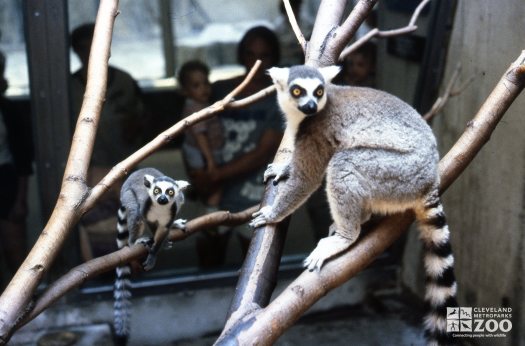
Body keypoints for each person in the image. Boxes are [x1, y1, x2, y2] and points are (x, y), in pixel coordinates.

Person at [190, 26, 283, 268]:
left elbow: (264, 151)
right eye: (251, 54)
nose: (257, 62)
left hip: (254, 195)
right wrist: (198, 174)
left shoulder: (280, 98)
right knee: (209, 259)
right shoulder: (220, 90)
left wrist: (214, 176)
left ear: (275, 58)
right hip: (215, 194)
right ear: (241, 56)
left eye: (265, 55)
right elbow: (194, 132)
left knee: (254, 264)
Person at [69, 23, 146, 261]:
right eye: (82, 48)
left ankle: (133, 267)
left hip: (124, 166)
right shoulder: (68, 88)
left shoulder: (124, 81)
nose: (88, 52)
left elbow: (144, 119)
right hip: (87, 173)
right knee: (93, 228)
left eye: (92, 45)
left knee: (131, 222)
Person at [0, 51, 33, 286]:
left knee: (15, 253)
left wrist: (21, 199)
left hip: (5, 182)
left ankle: (22, 307)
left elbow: (23, 157)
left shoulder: (8, 110)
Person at [178, 60, 223, 208]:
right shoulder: (196, 109)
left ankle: (200, 191)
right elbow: (200, 136)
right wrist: (210, 160)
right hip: (199, 151)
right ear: (184, 91)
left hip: (201, 148)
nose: (203, 89)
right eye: (196, 86)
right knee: (207, 178)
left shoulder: (199, 103)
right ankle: (208, 202)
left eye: (205, 83)